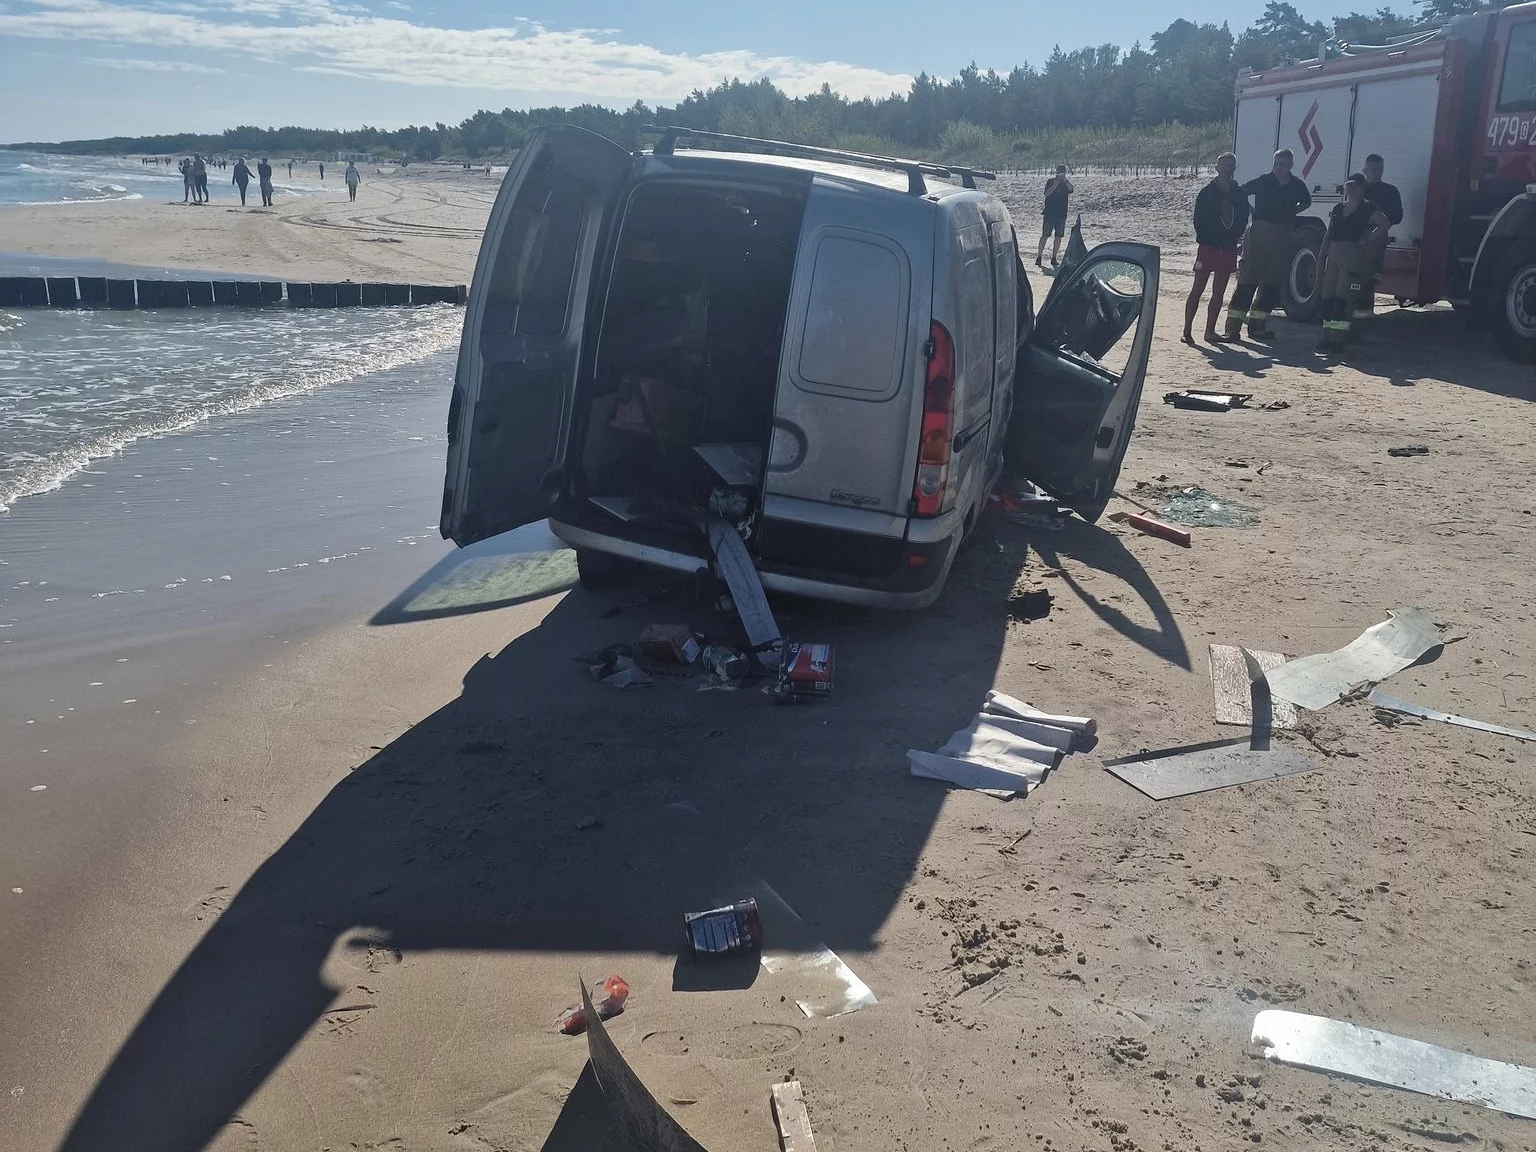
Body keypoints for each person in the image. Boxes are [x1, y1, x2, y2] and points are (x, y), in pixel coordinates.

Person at [1224, 149, 1311, 340]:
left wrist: (1291, 213)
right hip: (1260, 232)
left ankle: (1257, 327)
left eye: (1282, 165)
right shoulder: (1264, 181)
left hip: (1283, 234)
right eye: (1276, 164)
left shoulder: (1296, 185)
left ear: (1290, 166)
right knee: (1248, 279)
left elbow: (1306, 202)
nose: (1278, 168)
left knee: (1272, 282)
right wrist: (1251, 211)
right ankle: (1232, 328)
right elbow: (1241, 193)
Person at [1317, 173, 1390, 353]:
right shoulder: (1338, 208)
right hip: (1334, 251)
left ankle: (1338, 340)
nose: (1352, 189)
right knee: (1328, 296)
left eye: (1356, 186)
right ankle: (1326, 337)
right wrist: (1322, 254)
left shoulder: (1368, 207)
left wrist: (1367, 240)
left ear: (1362, 188)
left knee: (1343, 298)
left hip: (1352, 254)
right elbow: (1329, 232)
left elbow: (1384, 224)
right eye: (1349, 185)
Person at [1184, 152, 1249, 345]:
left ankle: (1210, 331)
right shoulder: (1207, 192)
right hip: (1208, 247)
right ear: (1217, 168)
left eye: (1231, 166)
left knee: (1218, 292)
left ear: (1234, 169)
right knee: (1197, 288)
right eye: (1224, 165)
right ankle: (1187, 331)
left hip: (1227, 248)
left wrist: (1233, 238)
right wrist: (1210, 239)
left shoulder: (1239, 194)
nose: (1227, 169)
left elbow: (1242, 219)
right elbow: (1198, 221)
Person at [1357, 153, 1403, 324]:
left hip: (1377, 239)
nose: (1376, 173)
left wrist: (1380, 219)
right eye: (1373, 170)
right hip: (1355, 239)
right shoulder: (1359, 190)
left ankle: (1364, 318)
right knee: (1352, 279)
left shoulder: (1390, 191)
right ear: (1365, 170)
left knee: (1369, 280)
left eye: (1379, 170)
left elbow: (1397, 217)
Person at [1036, 165, 1074, 268]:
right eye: (1059, 172)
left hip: (1061, 214)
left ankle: (1054, 257)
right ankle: (1039, 256)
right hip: (1049, 213)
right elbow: (1047, 193)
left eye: (1062, 172)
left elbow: (1072, 189)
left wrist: (1065, 180)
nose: (1060, 174)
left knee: (1058, 236)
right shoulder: (1050, 181)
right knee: (1045, 235)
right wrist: (1055, 184)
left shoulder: (1065, 183)